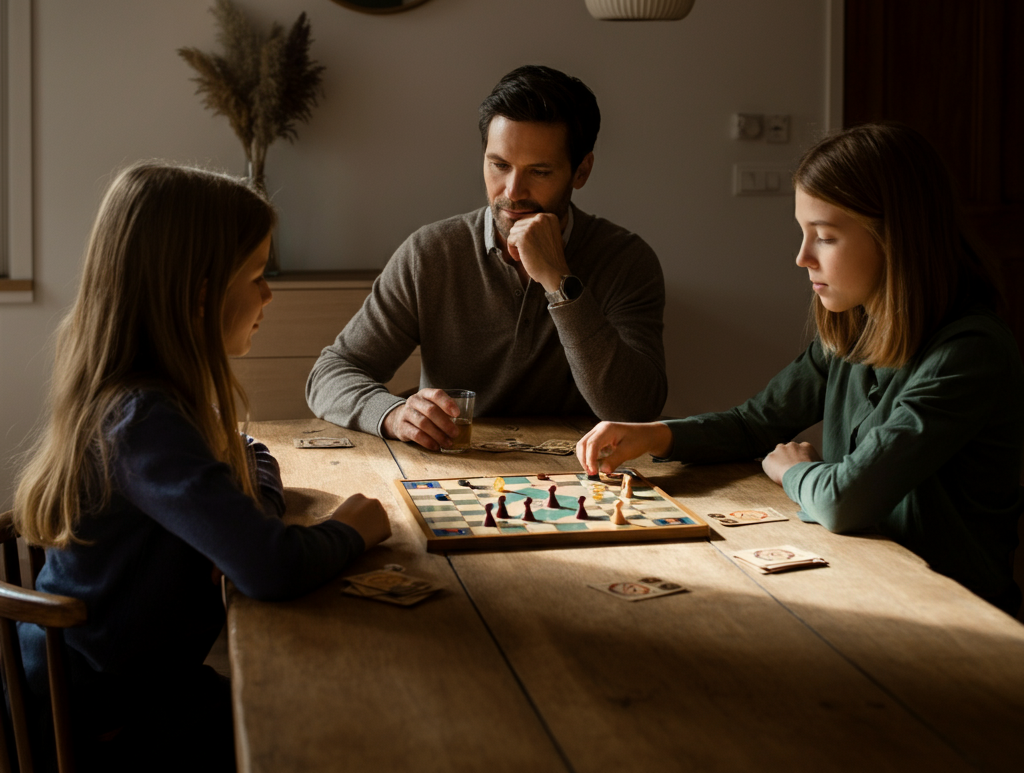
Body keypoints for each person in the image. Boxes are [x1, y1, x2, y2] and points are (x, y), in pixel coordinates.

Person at [13, 163, 391, 772]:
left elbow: (245, 469)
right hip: (98, 716)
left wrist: (250, 497)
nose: (269, 295)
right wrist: (352, 529)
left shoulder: (151, 398)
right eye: (258, 275)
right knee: (331, 728)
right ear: (198, 294)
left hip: (131, 680)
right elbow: (267, 566)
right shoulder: (142, 419)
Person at [577, 123, 1024, 614]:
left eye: (825, 237)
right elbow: (754, 423)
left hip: (959, 614)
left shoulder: (970, 353)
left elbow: (844, 501)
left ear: (896, 239)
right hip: (868, 582)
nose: (801, 257)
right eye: (802, 233)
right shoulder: (852, 328)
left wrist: (797, 472)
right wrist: (654, 435)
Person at [307, 64, 667, 449]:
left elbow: (634, 410)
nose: (512, 191)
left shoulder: (627, 260)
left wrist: (560, 283)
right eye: (499, 165)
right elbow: (331, 373)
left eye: (540, 172)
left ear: (581, 171)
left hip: (580, 476)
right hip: (454, 467)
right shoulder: (431, 253)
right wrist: (392, 414)